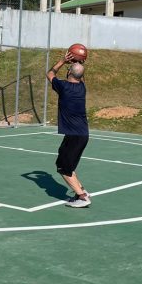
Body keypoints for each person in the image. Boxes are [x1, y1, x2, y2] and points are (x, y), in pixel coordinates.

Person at [47, 52, 90, 208]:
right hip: (81, 134)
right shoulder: (82, 88)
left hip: (74, 136)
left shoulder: (63, 87)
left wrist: (62, 61)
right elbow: (80, 74)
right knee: (64, 163)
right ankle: (81, 189)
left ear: (69, 72)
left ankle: (82, 197)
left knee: (63, 169)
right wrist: (79, 63)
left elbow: (50, 73)